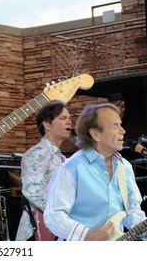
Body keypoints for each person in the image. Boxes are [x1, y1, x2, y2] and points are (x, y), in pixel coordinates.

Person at [44, 103, 147, 241]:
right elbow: (54, 215)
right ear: (96, 134)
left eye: (120, 125)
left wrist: (144, 231)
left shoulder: (125, 167)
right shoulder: (71, 168)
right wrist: (88, 235)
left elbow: (132, 211)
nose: (123, 131)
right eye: (115, 126)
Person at [15, 101, 72, 241]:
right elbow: (32, 190)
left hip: (58, 230)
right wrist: (63, 213)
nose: (69, 122)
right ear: (47, 125)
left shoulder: (62, 158)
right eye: (63, 118)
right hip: (38, 232)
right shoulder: (37, 153)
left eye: (69, 118)